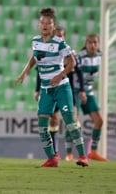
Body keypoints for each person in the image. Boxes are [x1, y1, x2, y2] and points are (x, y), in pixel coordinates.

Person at [15, 8, 88, 167]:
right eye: (42, 23)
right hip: (46, 89)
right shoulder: (35, 41)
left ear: (53, 26)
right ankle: (52, 158)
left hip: (61, 87)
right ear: (39, 25)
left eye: (48, 23)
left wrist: (60, 75)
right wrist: (25, 71)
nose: (45, 25)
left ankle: (83, 156)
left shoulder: (59, 43)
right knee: (42, 124)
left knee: (69, 122)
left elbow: (72, 63)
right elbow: (34, 57)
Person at [34, 26, 80, 161]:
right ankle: (56, 152)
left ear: (64, 38)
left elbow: (78, 73)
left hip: (67, 91)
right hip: (51, 90)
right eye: (57, 35)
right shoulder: (47, 52)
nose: (59, 38)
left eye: (61, 36)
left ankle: (73, 153)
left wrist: (81, 89)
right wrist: (37, 89)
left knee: (72, 121)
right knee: (53, 120)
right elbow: (39, 72)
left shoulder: (70, 54)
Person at [73, 34, 107, 161]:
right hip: (76, 90)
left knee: (99, 121)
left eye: (95, 42)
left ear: (98, 44)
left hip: (88, 91)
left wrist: (89, 87)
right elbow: (79, 74)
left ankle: (93, 152)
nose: (92, 45)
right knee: (74, 122)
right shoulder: (80, 56)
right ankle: (73, 153)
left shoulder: (100, 56)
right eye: (90, 42)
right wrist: (81, 90)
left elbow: (91, 75)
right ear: (86, 44)